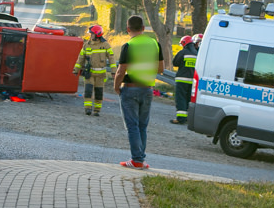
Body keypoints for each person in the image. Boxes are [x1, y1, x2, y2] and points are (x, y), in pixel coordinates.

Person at [113, 15, 164, 169]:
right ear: (143, 28)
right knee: (142, 126)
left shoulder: (128, 45)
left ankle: (137, 160)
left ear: (128, 29)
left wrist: (116, 87)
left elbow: (121, 71)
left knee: (132, 126)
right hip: (148, 89)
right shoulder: (155, 43)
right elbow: (161, 69)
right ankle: (140, 159)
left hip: (131, 89)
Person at [73, 25, 116, 116]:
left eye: (92, 34)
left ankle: (97, 110)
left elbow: (112, 59)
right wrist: (76, 69)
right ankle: (87, 109)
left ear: (97, 34)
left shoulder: (105, 45)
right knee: (88, 91)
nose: (90, 35)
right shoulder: (87, 45)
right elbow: (80, 58)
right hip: (90, 73)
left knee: (99, 93)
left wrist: (113, 71)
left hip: (101, 75)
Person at [171, 36, 196, 124]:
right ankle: (187, 118)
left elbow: (175, 63)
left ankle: (181, 118)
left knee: (180, 98)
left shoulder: (183, 52)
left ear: (184, 43)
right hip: (193, 81)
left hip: (182, 80)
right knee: (188, 99)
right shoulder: (197, 54)